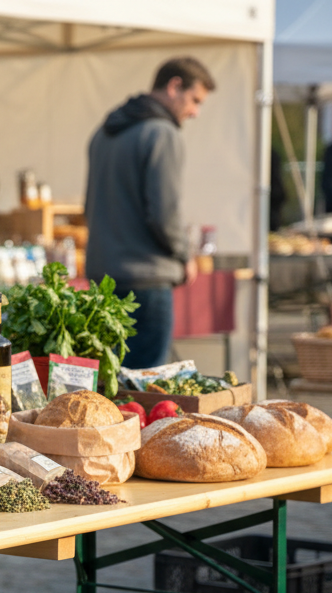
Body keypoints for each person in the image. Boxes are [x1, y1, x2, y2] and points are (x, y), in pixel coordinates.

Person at [84, 56, 215, 370]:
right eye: (195, 100)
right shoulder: (162, 134)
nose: (195, 112)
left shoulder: (104, 132)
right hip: (146, 280)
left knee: (110, 383)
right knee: (147, 386)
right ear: (174, 86)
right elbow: (164, 213)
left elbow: (88, 207)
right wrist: (185, 255)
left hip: (104, 276)